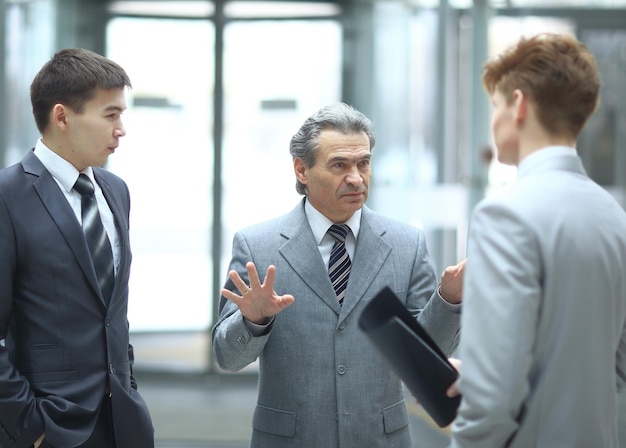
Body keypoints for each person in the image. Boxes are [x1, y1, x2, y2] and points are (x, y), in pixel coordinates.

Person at [212, 102, 464, 448]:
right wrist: (253, 320)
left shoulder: (407, 244)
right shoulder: (258, 246)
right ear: (302, 170)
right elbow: (227, 357)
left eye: (364, 163)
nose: (356, 178)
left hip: (380, 439)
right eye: (339, 165)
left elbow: (427, 359)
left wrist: (448, 299)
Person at [448, 33, 626, 447]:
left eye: (495, 106)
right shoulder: (613, 216)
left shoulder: (505, 213)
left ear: (519, 104)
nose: (494, 121)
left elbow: (492, 399)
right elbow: (618, 365)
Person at [0, 48, 154, 448]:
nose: (121, 129)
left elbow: (111, 313)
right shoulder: (7, 196)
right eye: (110, 115)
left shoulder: (115, 191)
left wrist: (128, 384)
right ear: (62, 116)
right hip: (49, 425)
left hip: (124, 422)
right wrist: (29, 425)